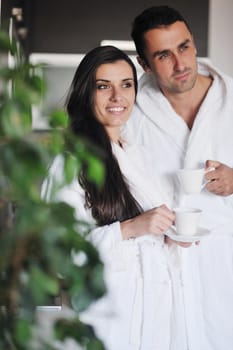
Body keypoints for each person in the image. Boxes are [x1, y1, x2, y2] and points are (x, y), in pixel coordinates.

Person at [41, 45, 192, 350]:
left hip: (154, 316)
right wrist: (130, 228)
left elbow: (146, 234)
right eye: (103, 86)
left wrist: (167, 234)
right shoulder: (71, 162)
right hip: (107, 321)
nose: (117, 97)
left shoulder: (137, 154)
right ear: (87, 93)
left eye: (126, 84)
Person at [128, 5, 233, 350]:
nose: (181, 63)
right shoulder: (131, 110)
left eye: (184, 46)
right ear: (144, 64)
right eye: (163, 55)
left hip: (224, 268)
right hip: (157, 271)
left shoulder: (230, 100)